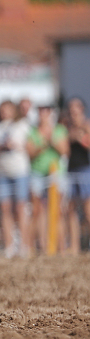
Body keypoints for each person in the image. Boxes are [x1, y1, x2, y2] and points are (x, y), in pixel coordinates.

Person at [25, 105, 69, 254]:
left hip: (56, 174)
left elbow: (64, 151)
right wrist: (43, 144)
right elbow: (29, 153)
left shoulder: (59, 130)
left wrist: (50, 140)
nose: (44, 114)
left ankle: (61, 247)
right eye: (41, 111)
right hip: (37, 173)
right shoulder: (32, 131)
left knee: (57, 211)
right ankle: (42, 246)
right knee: (37, 211)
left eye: (46, 111)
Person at [0, 100, 33, 257]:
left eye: (8, 109)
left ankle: (24, 245)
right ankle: (9, 246)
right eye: (2, 110)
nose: (5, 113)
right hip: (2, 172)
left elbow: (30, 146)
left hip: (20, 171)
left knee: (21, 208)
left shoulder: (23, 125)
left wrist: (17, 146)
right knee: (5, 209)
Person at [65, 97, 90, 254]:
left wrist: (82, 136)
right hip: (70, 170)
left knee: (88, 208)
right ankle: (74, 246)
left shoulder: (86, 125)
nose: (73, 111)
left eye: (76, 107)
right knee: (71, 209)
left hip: (85, 170)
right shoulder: (66, 127)